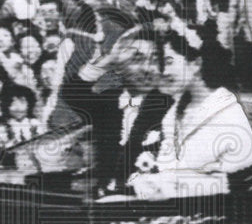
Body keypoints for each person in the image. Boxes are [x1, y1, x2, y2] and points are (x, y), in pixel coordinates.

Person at [127, 25, 252, 200]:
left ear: (196, 64)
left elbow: (242, 184)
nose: (162, 72)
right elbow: (170, 170)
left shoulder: (225, 115)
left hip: (223, 215)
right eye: (157, 64)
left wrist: (165, 186)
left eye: (168, 62)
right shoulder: (173, 116)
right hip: (183, 210)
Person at [57, 24, 173, 191]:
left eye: (154, 59)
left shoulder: (169, 105)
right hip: (104, 196)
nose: (148, 68)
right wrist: (108, 58)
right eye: (137, 59)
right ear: (118, 66)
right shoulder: (109, 101)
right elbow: (71, 92)